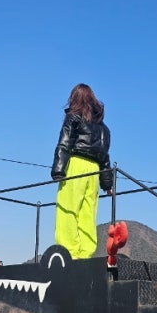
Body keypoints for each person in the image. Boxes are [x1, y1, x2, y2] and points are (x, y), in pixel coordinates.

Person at [51, 83, 113, 259]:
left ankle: (68, 252)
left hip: (76, 164)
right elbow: (105, 158)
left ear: (74, 99)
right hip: (94, 170)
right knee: (88, 212)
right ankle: (86, 253)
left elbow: (64, 143)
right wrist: (107, 184)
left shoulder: (73, 117)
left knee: (67, 208)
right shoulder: (104, 129)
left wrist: (58, 170)